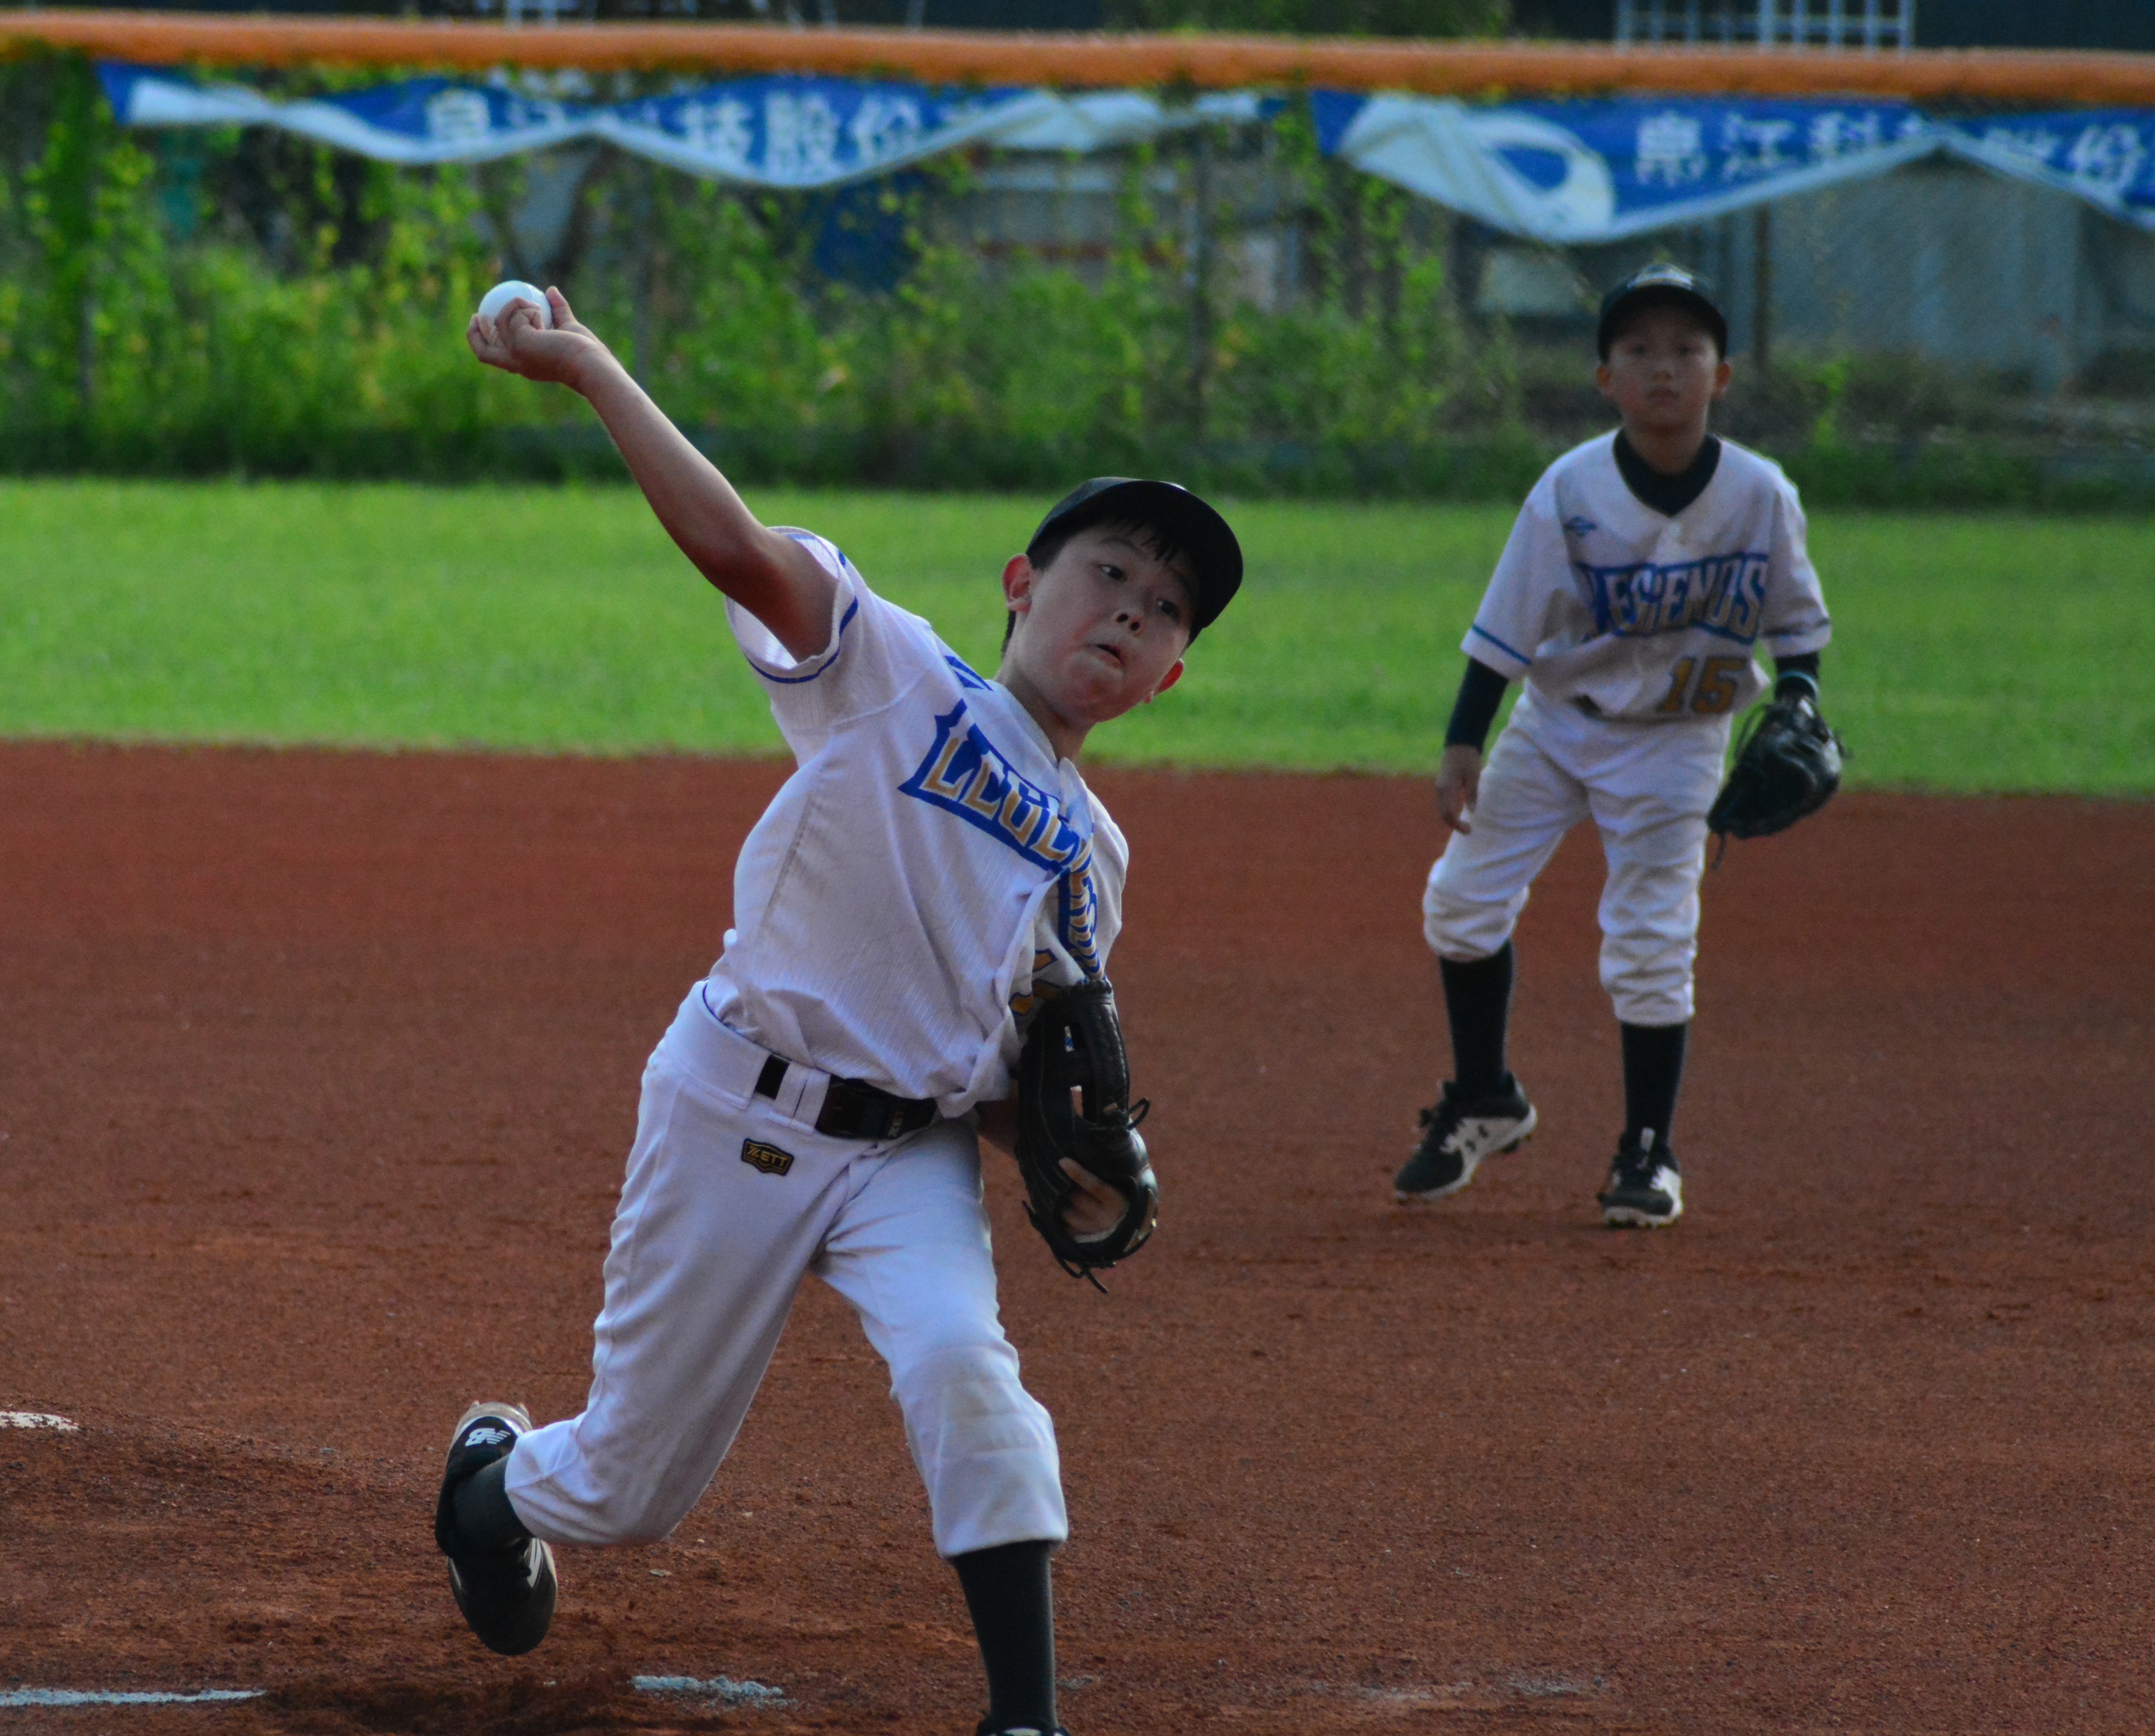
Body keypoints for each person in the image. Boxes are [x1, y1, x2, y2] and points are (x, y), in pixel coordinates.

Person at [438, 283, 1242, 1736]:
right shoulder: (896, 673)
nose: (1126, 610)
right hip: (740, 1095)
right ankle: (491, 1485)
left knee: (967, 1372)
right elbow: (734, 549)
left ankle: (1026, 1719)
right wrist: (596, 368)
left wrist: (1056, 1152)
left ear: (1173, 674)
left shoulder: (1094, 869)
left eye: (1164, 607)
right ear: (1023, 581)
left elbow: (1004, 1070)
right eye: (1108, 571)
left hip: (908, 1157)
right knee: (627, 1489)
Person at [1395, 264, 1834, 1229]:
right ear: (1604, 378)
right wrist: (1464, 739)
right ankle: (1485, 1097)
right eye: (1638, 350)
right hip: (1556, 728)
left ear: (1723, 374)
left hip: (1682, 741)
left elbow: (1798, 629)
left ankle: (1648, 1149)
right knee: (1461, 904)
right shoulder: (1570, 490)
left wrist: (1800, 700)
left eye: (1687, 349)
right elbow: (1505, 628)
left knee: (1650, 941)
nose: (1663, 368)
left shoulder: (1762, 495)